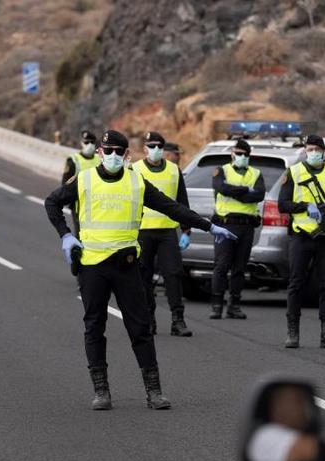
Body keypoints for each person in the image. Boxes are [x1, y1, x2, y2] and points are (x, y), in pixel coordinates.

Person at [45, 130, 237, 411]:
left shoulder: (137, 182)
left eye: (118, 152)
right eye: (107, 151)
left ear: (127, 155)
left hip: (126, 266)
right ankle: (101, 391)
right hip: (92, 266)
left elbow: (172, 207)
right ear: (99, 152)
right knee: (94, 327)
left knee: (141, 328)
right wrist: (65, 234)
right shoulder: (84, 179)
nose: (112, 156)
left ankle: (154, 391)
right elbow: (52, 202)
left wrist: (208, 226)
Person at [277, 135, 325, 349]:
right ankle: (293, 332)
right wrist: (305, 206)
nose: (314, 152)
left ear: (324, 151)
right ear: (305, 151)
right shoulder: (294, 171)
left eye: (317, 149)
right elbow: (282, 204)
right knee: (296, 283)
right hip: (301, 236)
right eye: (310, 149)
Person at [132, 131, 192, 337]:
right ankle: (149, 320)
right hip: (142, 232)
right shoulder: (134, 169)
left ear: (164, 149)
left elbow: (181, 202)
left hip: (167, 231)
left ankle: (178, 320)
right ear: (144, 149)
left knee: (173, 275)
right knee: (144, 277)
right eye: (151, 146)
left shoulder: (175, 171)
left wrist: (186, 229)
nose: (155, 150)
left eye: (159, 146)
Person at [210, 139, 265, 320]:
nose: (241, 157)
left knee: (239, 268)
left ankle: (234, 305)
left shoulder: (256, 174)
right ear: (232, 154)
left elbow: (258, 194)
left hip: (246, 226)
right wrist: (244, 191)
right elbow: (221, 188)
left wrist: (235, 193)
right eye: (238, 153)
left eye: (245, 154)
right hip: (225, 225)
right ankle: (217, 306)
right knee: (221, 266)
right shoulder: (222, 170)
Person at [61, 130, 101, 236]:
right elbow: (66, 184)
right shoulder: (73, 160)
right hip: (79, 207)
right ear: (81, 143)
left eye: (92, 142)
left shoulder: (100, 160)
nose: (90, 145)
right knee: (82, 237)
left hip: (98, 206)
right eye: (87, 142)